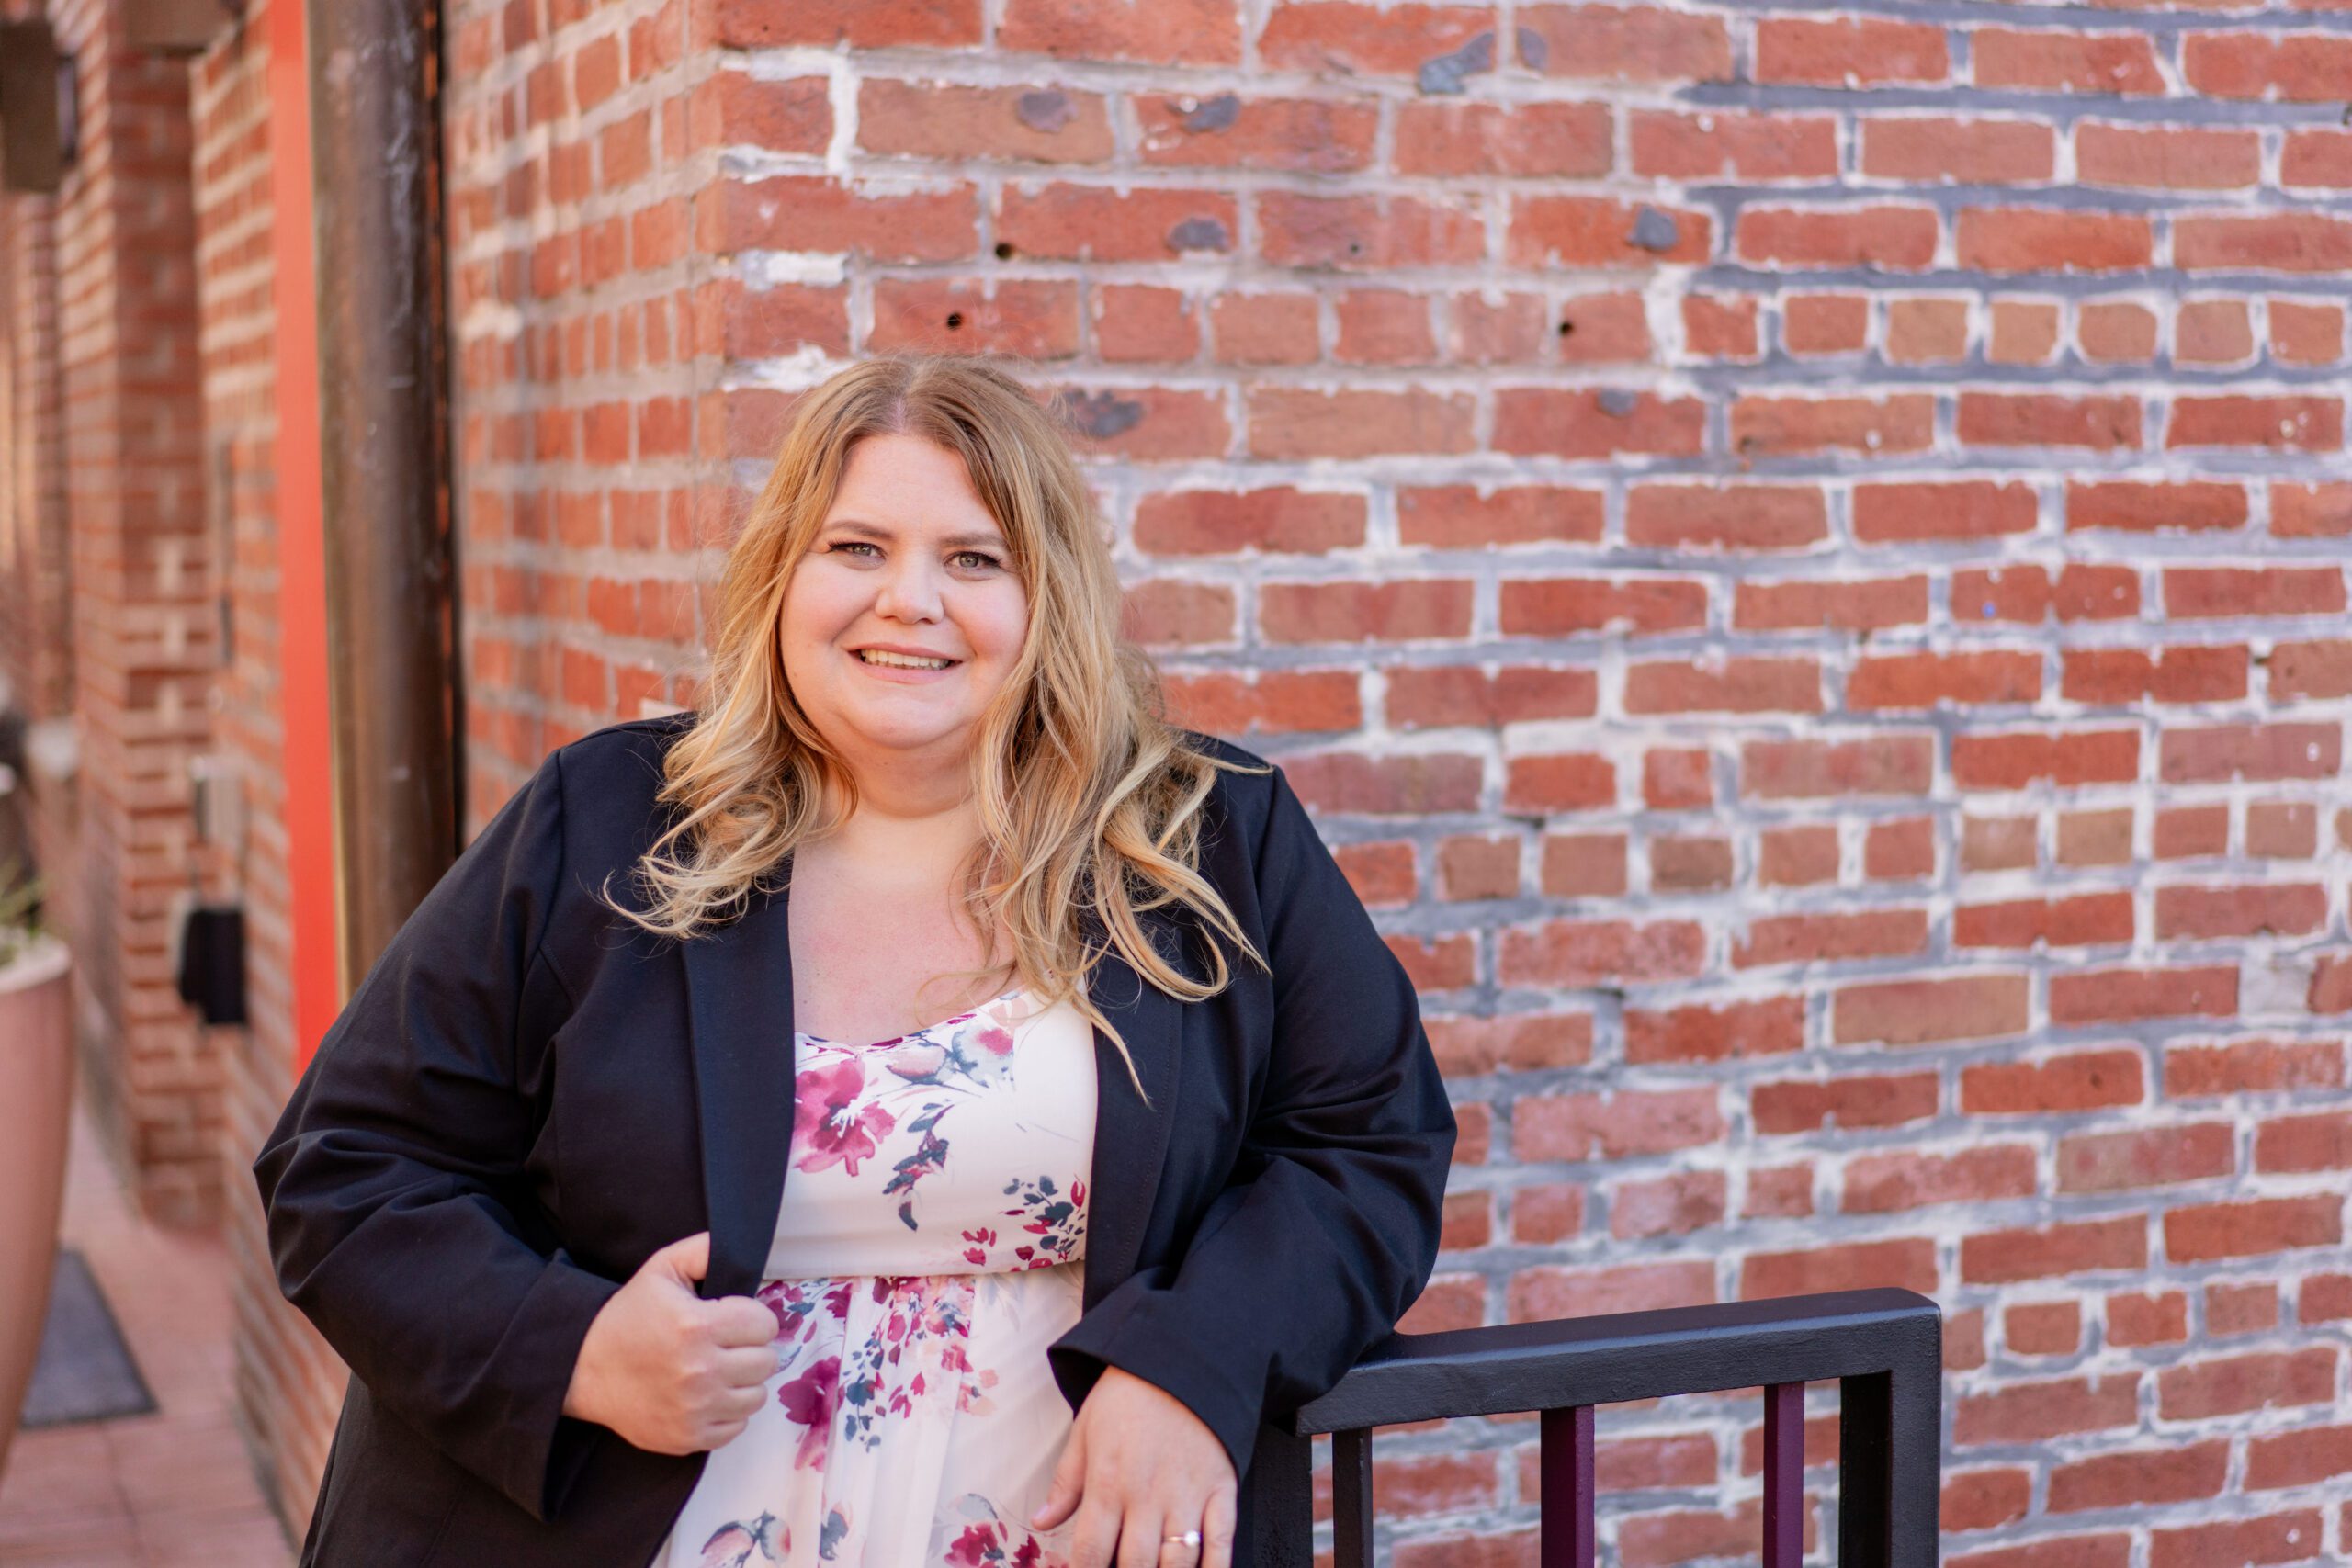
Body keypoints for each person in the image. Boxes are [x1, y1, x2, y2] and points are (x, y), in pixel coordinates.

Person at [254, 353, 1456, 1568]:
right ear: (783, 578)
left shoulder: (1211, 836)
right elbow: (346, 1167)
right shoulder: (605, 827)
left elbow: (1367, 1147)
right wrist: (569, 1351)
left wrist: (1200, 1362)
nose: (909, 601)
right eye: (857, 549)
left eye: (974, 560)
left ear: (1050, 601)